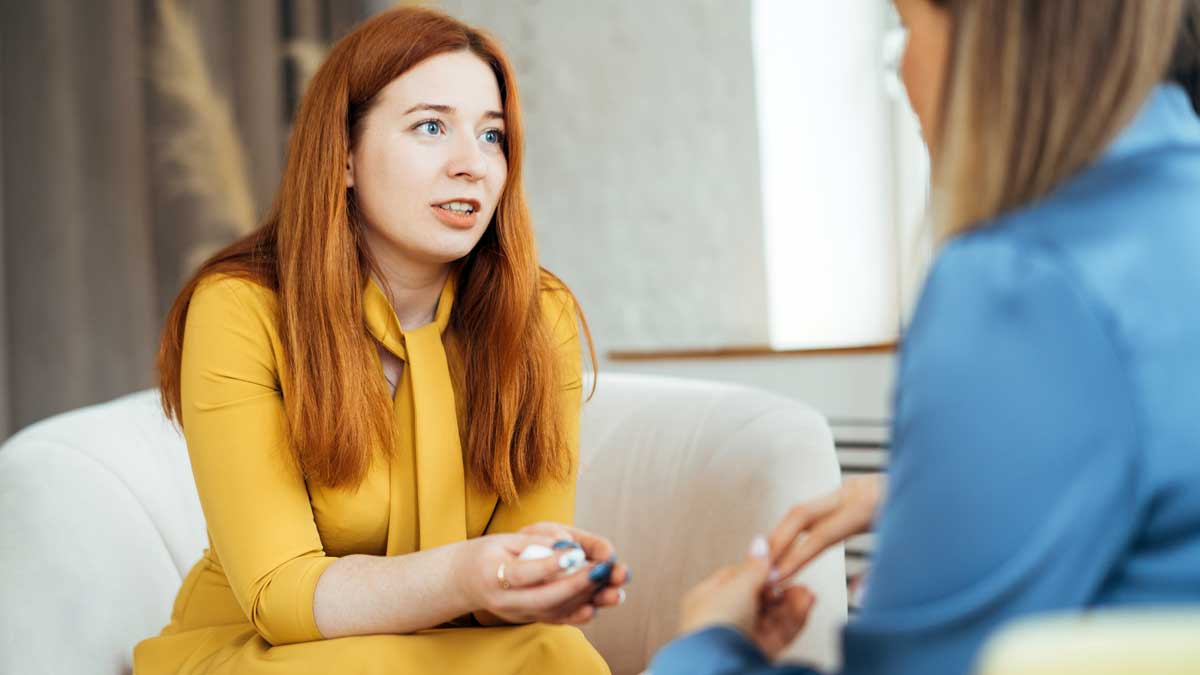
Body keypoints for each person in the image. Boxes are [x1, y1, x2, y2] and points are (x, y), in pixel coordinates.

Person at [651, 1, 1200, 673]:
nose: (906, 72)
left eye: (906, 29)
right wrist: (925, 495)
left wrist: (705, 646)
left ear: (985, 35)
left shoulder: (1022, 283)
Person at [134, 6, 625, 673]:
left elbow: (502, 579)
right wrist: (465, 575)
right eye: (431, 126)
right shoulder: (240, 310)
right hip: (274, 649)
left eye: (492, 136)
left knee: (556, 650)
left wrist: (544, 577)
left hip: (450, 643)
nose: (472, 165)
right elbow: (281, 595)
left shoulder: (540, 316)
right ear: (343, 158)